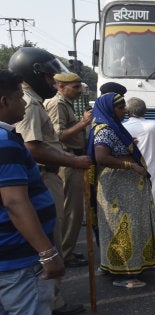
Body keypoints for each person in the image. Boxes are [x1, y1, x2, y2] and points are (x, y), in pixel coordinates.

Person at [9, 47, 90, 315]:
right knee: (50, 236)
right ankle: (52, 302)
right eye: (48, 78)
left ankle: (53, 299)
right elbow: (33, 147)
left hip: (51, 172)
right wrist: (74, 161)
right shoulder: (31, 104)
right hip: (46, 173)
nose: (52, 83)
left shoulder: (32, 101)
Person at [0, 69, 65, 315]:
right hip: (20, 259)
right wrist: (47, 253)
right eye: (19, 97)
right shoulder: (5, 142)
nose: (24, 103)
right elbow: (15, 202)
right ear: (4, 102)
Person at [88, 93, 155, 288]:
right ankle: (125, 274)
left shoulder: (111, 126)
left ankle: (113, 266)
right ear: (109, 109)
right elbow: (101, 157)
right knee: (124, 227)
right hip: (119, 189)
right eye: (120, 107)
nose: (124, 111)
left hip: (124, 188)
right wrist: (131, 166)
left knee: (122, 226)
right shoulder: (106, 129)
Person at [44, 72, 91, 268]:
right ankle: (63, 253)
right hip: (66, 159)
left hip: (72, 158)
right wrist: (83, 123)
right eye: (75, 87)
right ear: (60, 87)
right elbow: (58, 135)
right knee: (70, 210)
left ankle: (67, 251)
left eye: (79, 86)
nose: (79, 91)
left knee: (75, 210)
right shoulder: (57, 104)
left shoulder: (66, 103)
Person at [123, 98, 155, 233]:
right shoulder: (154, 125)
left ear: (127, 112)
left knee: (135, 208)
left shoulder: (123, 128)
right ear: (145, 111)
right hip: (153, 171)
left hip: (132, 171)